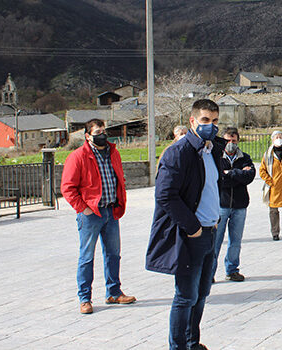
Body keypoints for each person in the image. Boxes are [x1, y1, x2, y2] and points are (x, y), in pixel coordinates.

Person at [145, 99, 223, 350]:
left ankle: (192, 342)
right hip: (192, 234)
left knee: (201, 295)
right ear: (192, 121)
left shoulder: (212, 151)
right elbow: (165, 195)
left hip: (211, 230)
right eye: (205, 120)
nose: (210, 126)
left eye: (214, 121)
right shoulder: (178, 153)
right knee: (185, 296)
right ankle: (177, 346)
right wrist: (193, 228)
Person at [61, 118, 136, 315]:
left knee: (113, 254)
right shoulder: (78, 157)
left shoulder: (113, 153)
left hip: (111, 211)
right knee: (86, 257)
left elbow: (119, 178)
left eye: (104, 131)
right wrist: (82, 208)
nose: (102, 135)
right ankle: (85, 298)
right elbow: (67, 188)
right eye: (97, 132)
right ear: (87, 136)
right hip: (91, 214)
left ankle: (114, 292)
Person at [214, 127, 256, 282]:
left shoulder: (245, 158)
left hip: (239, 205)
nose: (231, 143)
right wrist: (238, 174)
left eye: (234, 140)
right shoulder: (217, 157)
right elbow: (219, 179)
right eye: (228, 141)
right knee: (215, 241)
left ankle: (232, 270)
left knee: (235, 241)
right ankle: (209, 272)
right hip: (221, 205)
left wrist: (230, 173)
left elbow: (249, 176)